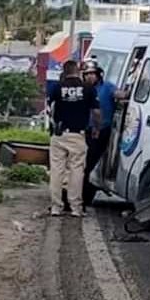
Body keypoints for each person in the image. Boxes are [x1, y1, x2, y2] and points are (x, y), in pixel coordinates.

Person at [48, 60, 101, 217]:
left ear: (64, 72)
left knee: (57, 171)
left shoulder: (56, 88)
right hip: (78, 135)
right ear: (77, 71)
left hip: (59, 134)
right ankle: (75, 207)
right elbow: (96, 113)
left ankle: (56, 207)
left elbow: (49, 110)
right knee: (76, 170)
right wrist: (96, 128)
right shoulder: (88, 89)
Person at [81, 59, 126, 206]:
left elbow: (119, 94)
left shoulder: (106, 87)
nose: (90, 77)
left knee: (92, 164)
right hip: (84, 131)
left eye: (93, 74)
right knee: (82, 165)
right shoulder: (82, 89)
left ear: (99, 74)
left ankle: (86, 197)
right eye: (87, 74)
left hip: (101, 132)